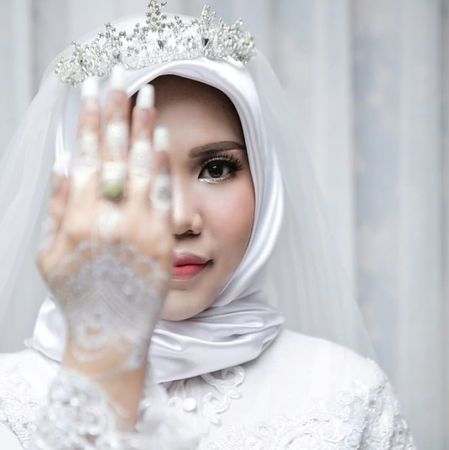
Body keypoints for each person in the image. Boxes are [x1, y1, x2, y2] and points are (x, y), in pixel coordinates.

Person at [0, 2, 415, 448]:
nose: (180, 218)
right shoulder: (11, 404)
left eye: (217, 169)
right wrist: (103, 365)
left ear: (265, 179)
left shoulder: (346, 394)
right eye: (135, 173)